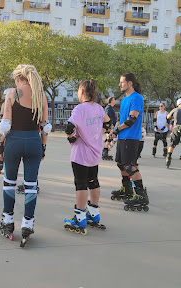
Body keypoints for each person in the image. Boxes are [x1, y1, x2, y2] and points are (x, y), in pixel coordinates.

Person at [0, 64, 50, 247]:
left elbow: (5, 124)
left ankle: (8, 221)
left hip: (14, 141)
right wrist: (43, 147)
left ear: (18, 78)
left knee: (9, 182)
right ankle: (27, 224)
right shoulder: (41, 96)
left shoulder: (12, 93)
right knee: (31, 185)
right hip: (34, 141)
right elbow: (46, 126)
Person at [63, 79, 109, 235]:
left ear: (82, 91)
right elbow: (108, 123)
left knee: (81, 184)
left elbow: (69, 127)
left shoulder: (79, 109)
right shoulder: (99, 108)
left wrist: (72, 138)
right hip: (95, 153)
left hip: (81, 154)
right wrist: (98, 134)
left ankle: (80, 217)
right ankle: (94, 214)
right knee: (93, 181)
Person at [110, 73, 149, 212]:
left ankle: (140, 194)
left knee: (130, 166)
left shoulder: (136, 98)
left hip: (131, 137)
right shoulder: (125, 99)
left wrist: (117, 129)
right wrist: (114, 131)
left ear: (130, 83)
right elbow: (122, 120)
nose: (120, 84)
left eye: (122, 82)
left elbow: (131, 120)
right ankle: (127, 189)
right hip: (122, 137)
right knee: (121, 164)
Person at [102, 97, 117, 161]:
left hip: (111, 126)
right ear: (111, 101)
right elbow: (107, 118)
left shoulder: (110, 108)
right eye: (114, 100)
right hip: (109, 127)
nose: (115, 101)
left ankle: (105, 153)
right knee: (108, 139)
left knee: (109, 139)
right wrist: (108, 127)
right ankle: (105, 153)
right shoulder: (109, 108)